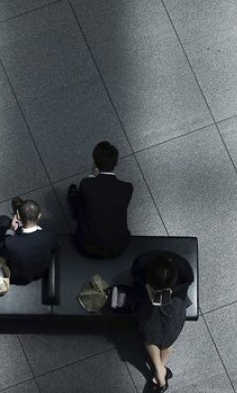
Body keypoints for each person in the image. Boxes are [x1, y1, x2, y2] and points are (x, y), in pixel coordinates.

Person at [131, 251, 194, 393]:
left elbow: (188, 281)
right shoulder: (142, 262)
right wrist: (147, 287)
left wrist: (171, 291)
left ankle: (159, 372)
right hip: (147, 294)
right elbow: (136, 277)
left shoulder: (181, 266)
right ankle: (161, 371)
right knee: (152, 331)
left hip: (174, 297)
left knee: (163, 334)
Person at [68, 141, 133, 258]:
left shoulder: (86, 184)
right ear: (117, 162)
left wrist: (92, 176)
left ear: (95, 164)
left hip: (87, 245)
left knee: (79, 202)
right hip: (117, 246)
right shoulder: (127, 188)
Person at [0, 198, 56, 285]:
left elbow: (4, 248)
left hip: (18, 277)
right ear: (39, 215)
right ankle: (25, 216)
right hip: (39, 272)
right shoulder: (50, 235)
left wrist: (11, 229)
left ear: (18, 216)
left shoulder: (11, 243)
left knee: (3, 220)